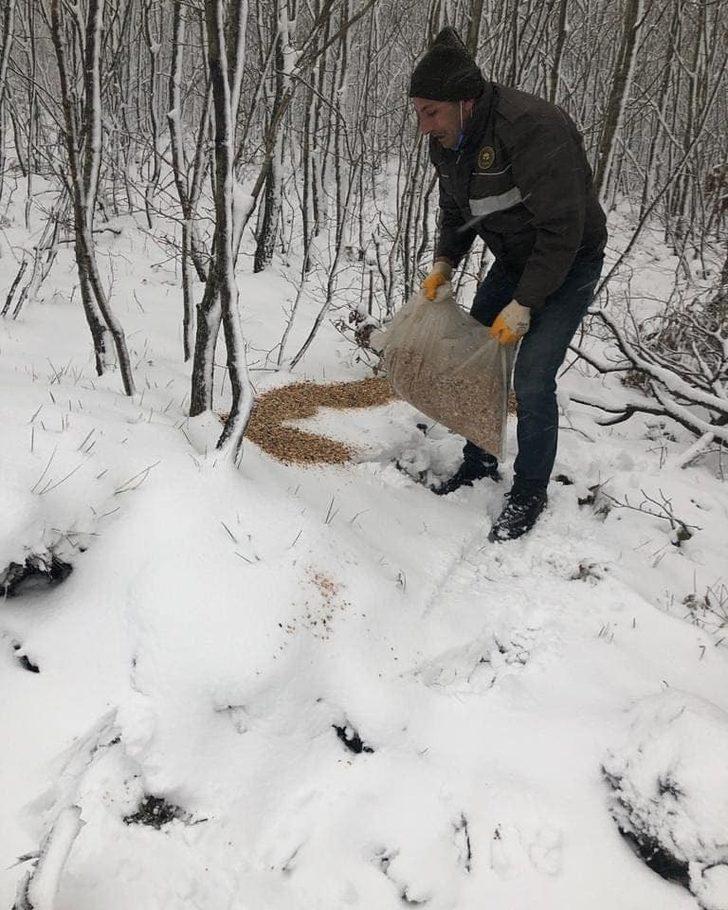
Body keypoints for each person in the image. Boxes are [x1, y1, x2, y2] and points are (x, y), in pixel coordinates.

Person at [409, 27, 607, 542]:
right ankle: (479, 462)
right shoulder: (446, 142)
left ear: (466, 102)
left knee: (534, 377)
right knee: (481, 356)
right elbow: (456, 207)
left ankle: (530, 492)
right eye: (418, 110)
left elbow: (563, 230)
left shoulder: (533, 128)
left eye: (431, 111)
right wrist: (445, 261)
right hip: (516, 256)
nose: (422, 124)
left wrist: (526, 303)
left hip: (569, 258)